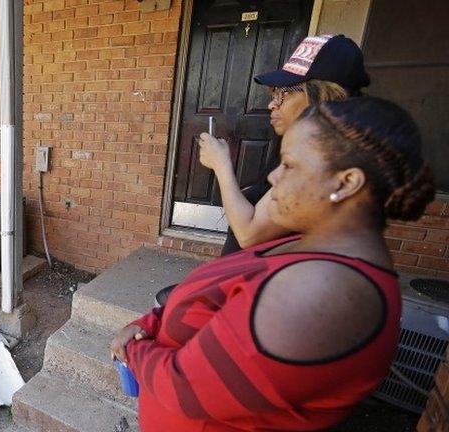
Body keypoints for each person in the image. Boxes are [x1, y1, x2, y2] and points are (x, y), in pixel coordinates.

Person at [111, 97, 435, 431]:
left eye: (290, 165)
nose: (274, 177)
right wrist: (149, 323)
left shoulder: (324, 292)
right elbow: (212, 302)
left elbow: (187, 389)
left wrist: (135, 351)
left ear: (346, 182)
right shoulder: (305, 244)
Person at [199, 35, 370, 255]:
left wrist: (221, 165)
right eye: (274, 93)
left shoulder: (324, 155)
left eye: (285, 93)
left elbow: (248, 235)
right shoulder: (306, 140)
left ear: (324, 96)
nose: (272, 104)